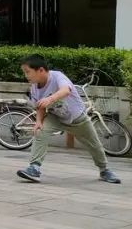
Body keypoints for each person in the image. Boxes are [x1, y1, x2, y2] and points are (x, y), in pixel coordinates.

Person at [16, 55, 120, 184]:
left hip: (77, 118)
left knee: (94, 144)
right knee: (40, 131)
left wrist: (50, 99)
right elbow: (40, 107)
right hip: (56, 117)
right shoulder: (34, 87)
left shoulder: (57, 76)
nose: (26, 75)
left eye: (27, 72)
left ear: (41, 70)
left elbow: (65, 90)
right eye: (24, 72)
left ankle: (104, 170)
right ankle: (34, 168)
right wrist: (38, 122)